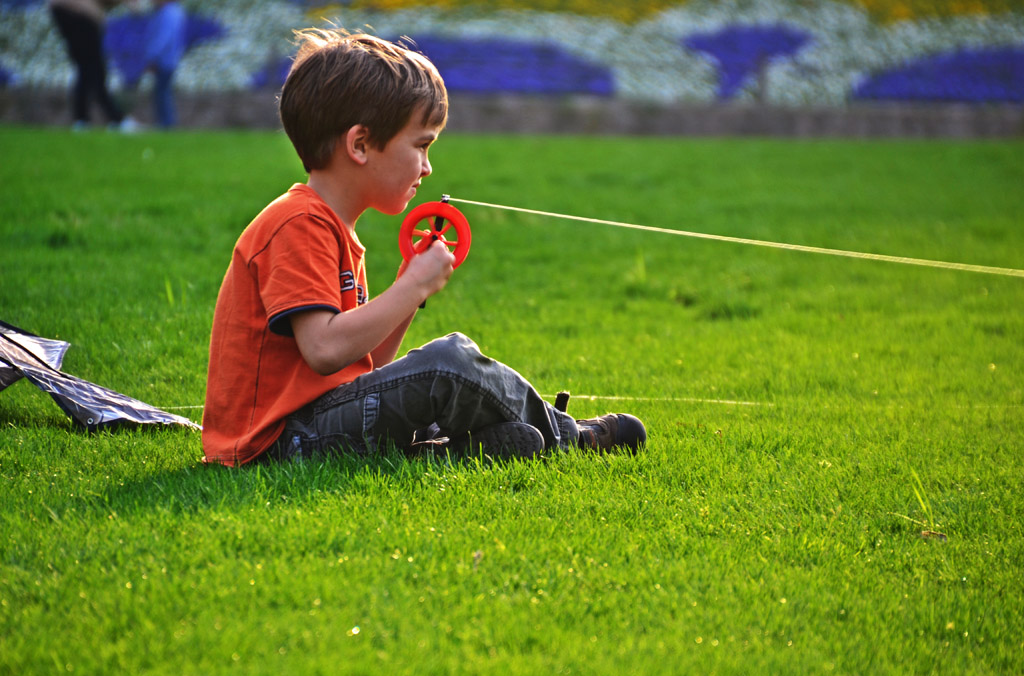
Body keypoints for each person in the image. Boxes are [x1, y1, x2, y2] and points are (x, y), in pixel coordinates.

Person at [201, 29, 646, 467]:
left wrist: (407, 292)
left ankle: (454, 450)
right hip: (279, 443)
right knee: (448, 362)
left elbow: (365, 363)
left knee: (443, 388)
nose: (428, 168)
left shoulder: (335, 228)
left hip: (317, 425)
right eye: (422, 145)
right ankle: (571, 436)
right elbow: (324, 350)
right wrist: (411, 287)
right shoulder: (299, 223)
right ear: (360, 144)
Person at [48, 0, 134, 131]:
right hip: (78, 12)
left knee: (86, 69)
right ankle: (116, 119)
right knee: (94, 68)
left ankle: (82, 120)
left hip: (70, 11)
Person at [143, 0, 186, 128]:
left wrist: (152, 56)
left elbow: (162, 38)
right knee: (163, 92)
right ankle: (166, 123)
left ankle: (166, 124)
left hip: (164, 60)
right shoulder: (175, 12)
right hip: (170, 59)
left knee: (162, 93)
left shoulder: (168, 13)